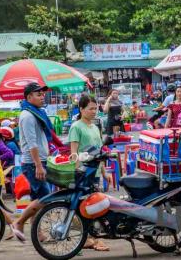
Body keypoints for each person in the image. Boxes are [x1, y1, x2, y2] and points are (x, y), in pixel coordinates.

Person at [68, 95, 111, 252]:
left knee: (95, 206)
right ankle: (90, 239)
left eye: (96, 108)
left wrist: (104, 172)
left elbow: (100, 152)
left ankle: (94, 238)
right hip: (83, 173)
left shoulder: (95, 127)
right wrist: (79, 172)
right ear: (81, 109)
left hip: (96, 172)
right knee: (83, 207)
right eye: (90, 108)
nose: (94, 111)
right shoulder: (76, 127)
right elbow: (73, 153)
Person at [12, 83, 52, 237]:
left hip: (39, 161)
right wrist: (38, 165)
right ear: (29, 97)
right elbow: (31, 143)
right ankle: (19, 222)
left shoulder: (36, 113)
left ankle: (38, 233)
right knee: (45, 197)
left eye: (42, 94)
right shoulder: (28, 116)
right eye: (38, 94)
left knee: (36, 198)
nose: (42, 97)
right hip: (33, 163)